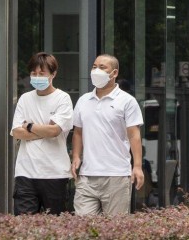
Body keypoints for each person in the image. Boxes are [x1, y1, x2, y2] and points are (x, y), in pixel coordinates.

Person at [71, 54, 144, 216]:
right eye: (94, 67)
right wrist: (76, 156)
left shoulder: (127, 101)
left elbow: (134, 135)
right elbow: (77, 132)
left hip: (117, 174)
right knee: (82, 225)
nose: (96, 71)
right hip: (87, 175)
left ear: (114, 73)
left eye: (102, 67)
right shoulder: (83, 100)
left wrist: (137, 166)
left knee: (114, 226)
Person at [10, 52, 74, 214]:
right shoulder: (25, 98)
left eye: (42, 73)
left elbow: (55, 130)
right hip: (25, 172)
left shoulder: (63, 98)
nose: (37, 77)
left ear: (53, 74)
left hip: (55, 173)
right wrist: (45, 130)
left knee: (56, 224)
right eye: (34, 73)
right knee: (23, 224)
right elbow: (16, 132)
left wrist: (29, 126)